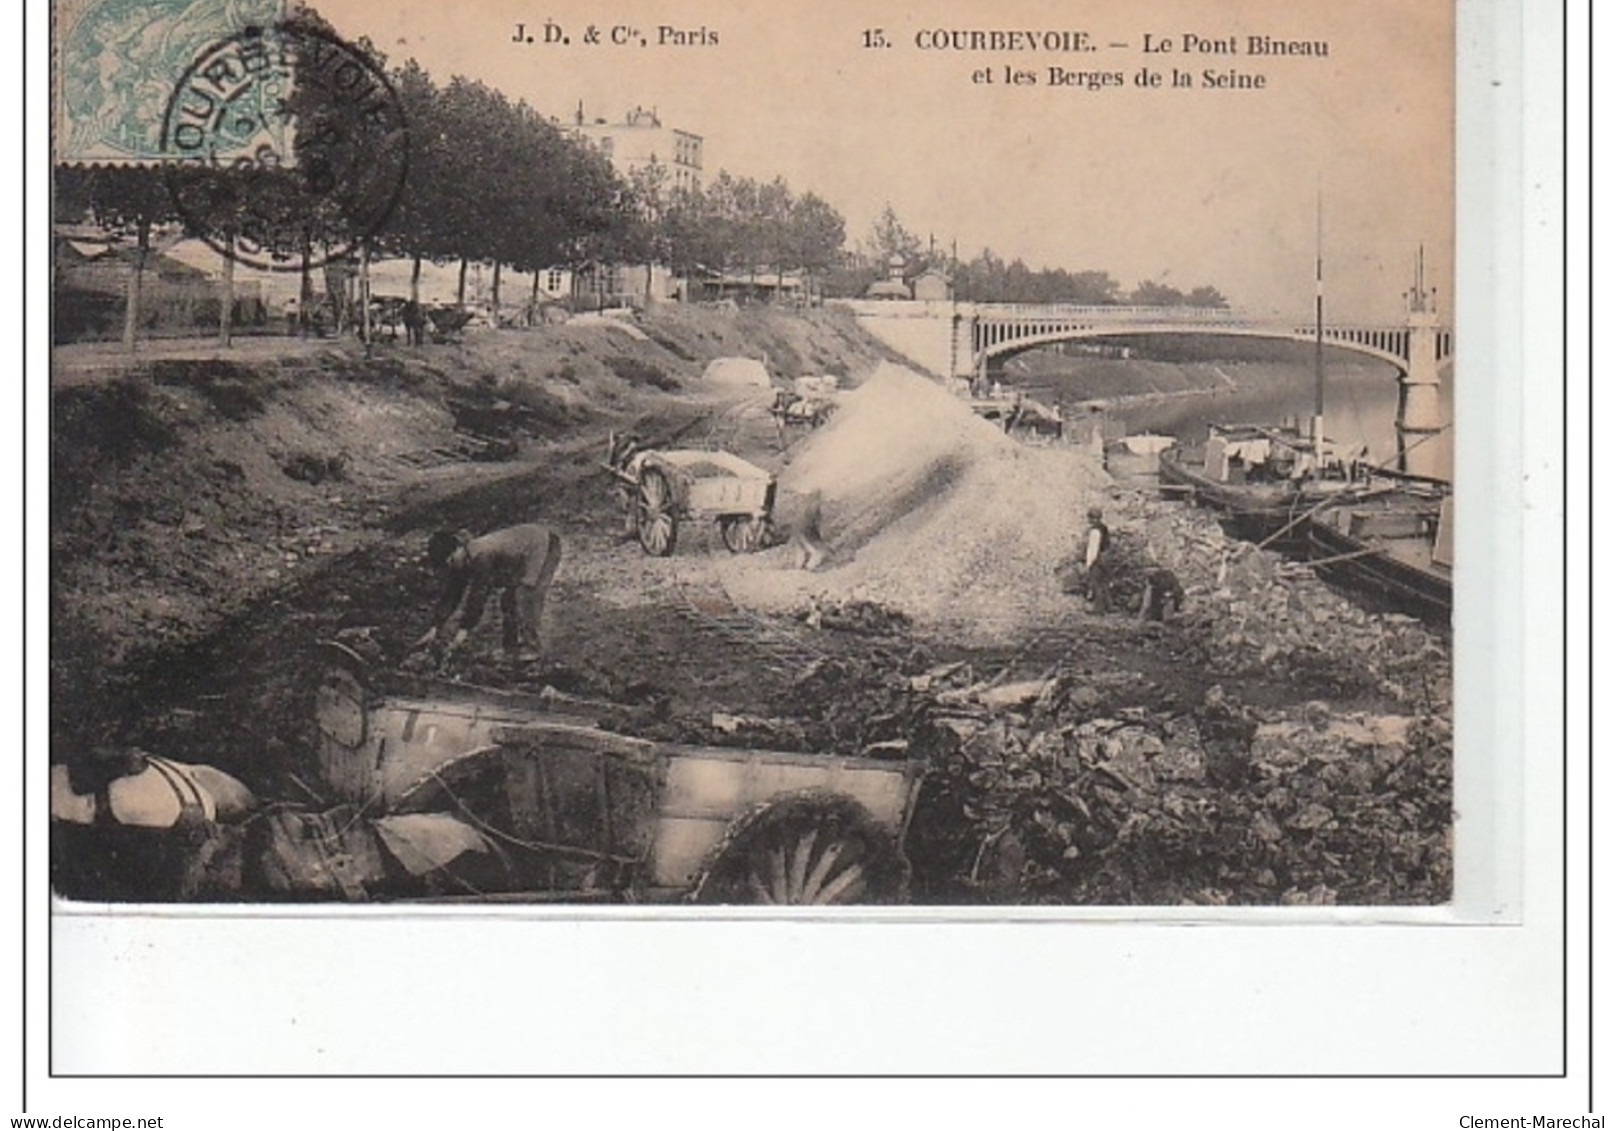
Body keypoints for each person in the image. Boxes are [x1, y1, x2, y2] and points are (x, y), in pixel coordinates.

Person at [415, 524, 564, 662]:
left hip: (543, 545)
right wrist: (434, 628)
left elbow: (478, 595)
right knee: (508, 599)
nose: (452, 566)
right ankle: (510, 650)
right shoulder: (461, 560)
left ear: (458, 548)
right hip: (519, 555)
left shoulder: (482, 555)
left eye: (451, 560)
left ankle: (532, 649)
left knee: (525, 596)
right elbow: (451, 595)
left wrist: (462, 634)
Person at [1082, 506, 1113, 613]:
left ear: (1091, 518)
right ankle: (1109, 606)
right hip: (1106, 558)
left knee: (1096, 583)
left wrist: (1089, 563)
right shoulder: (1104, 528)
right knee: (1104, 583)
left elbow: (1093, 549)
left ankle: (1098, 608)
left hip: (1098, 559)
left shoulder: (1094, 531)